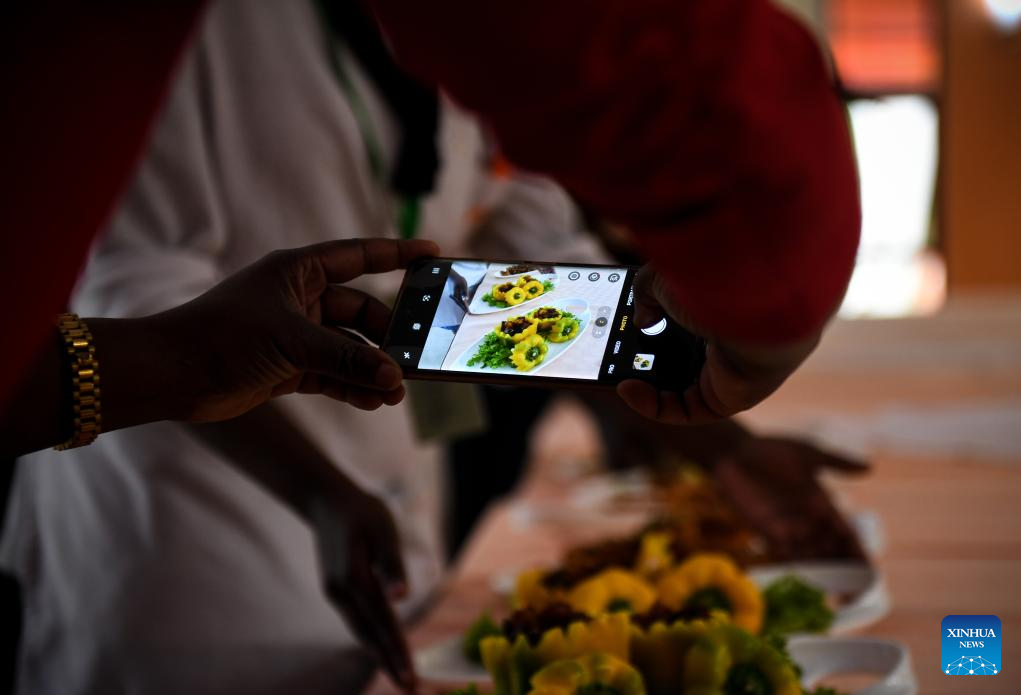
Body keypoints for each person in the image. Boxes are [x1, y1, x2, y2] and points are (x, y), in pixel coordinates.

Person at [1, 2, 609, 694]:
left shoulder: (470, 26)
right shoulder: (180, 29)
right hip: (196, 531)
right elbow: (132, 285)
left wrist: (660, 352)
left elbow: (522, 228)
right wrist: (319, 490)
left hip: (386, 484)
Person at [2, 0, 860, 429]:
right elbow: (631, 58)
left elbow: (512, 185)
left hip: (374, 431)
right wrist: (772, 288)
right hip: (173, 524)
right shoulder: (215, 37)